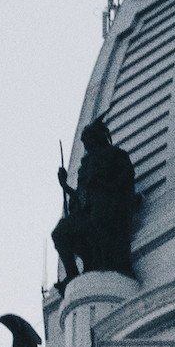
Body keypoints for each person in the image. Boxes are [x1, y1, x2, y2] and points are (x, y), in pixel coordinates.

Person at [52, 118, 137, 293]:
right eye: (84, 142)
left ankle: (108, 261)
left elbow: (126, 178)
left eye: (88, 140)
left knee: (98, 224)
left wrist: (107, 188)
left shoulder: (115, 155)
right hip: (87, 211)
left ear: (98, 138)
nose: (86, 145)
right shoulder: (85, 165)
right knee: (59, 233)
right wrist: (65, 185)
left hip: (107, 206)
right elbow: (79, 196)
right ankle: (72, 274)